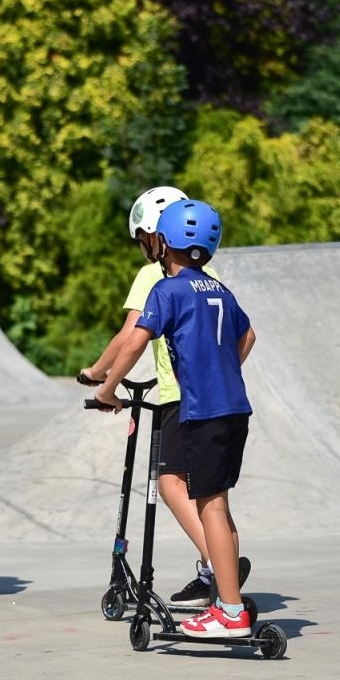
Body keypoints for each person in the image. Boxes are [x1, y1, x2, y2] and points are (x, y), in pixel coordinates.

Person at [80, 186, 250, 607]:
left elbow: (132, 337)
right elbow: (246, 335)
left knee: (172, 483)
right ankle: (222, 571)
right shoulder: (216, 286)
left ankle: (219, 572)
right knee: (215, 497)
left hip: (187, 400)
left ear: (158, 239)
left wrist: (103, 381)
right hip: (228, 402)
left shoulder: (161, 282)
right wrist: (219, 372)